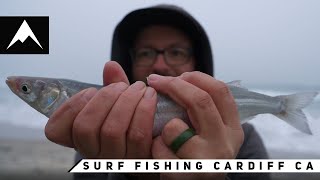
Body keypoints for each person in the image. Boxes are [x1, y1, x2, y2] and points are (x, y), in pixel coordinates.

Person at [45, 4, 270, 180]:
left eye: (176, 52)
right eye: (145, 53)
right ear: (128, 62)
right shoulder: (98, 135)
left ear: (198, 63)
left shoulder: (245, 139)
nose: (160, 65)